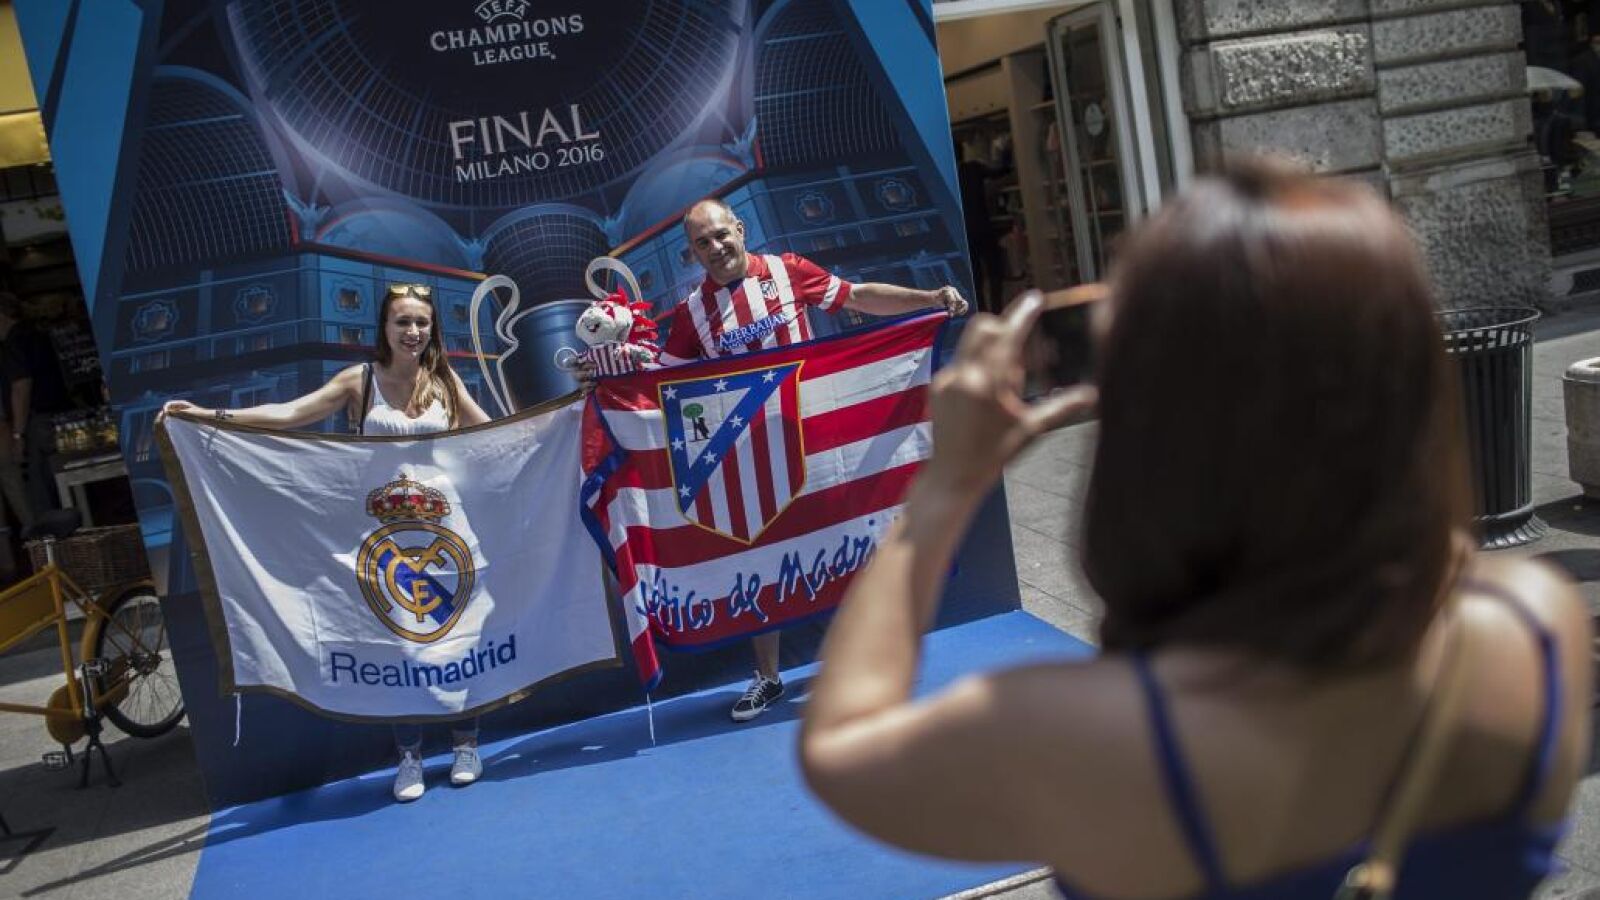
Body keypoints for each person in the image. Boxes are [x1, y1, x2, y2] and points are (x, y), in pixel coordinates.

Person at [798, 163, 1593, 898]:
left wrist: (946, 485)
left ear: (1154, 422)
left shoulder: (1091, 738)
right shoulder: (1533, 625)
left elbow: (840, 748)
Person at [162, 283, 492, 803]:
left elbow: (494, 433)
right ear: (384, 327)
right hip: (382, 538)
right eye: (403, 321)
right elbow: (290, 413)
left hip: (446, 532)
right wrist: (211, 416)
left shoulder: (445, 381)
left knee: (457, 638)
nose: (413, 331)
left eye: (422, 322)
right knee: (400, 644)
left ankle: (466, 744)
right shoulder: (359, 379)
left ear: (433, 329)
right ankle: (409, 755)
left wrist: (559, 420)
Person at [660, 197, 969, 723]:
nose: (715, 247)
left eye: (720, 234)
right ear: (692, 253)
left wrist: (928, 299)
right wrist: (609, 372)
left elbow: (857, 296)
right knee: (759, 560)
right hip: (750, 459)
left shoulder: (788, 271)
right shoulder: (692, 313)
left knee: (848, 542)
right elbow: (661, 381)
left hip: (817, 441)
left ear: (740, 229)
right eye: (702, 243)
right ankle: (768, 678)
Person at [0, 291, 74, 521]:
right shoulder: (37, 334)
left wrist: (18, 435)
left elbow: (21, 386)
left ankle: (55, 536)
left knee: (42, 488)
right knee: (62, 480)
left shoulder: (13, 343)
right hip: (58, 415)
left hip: (37, 422)